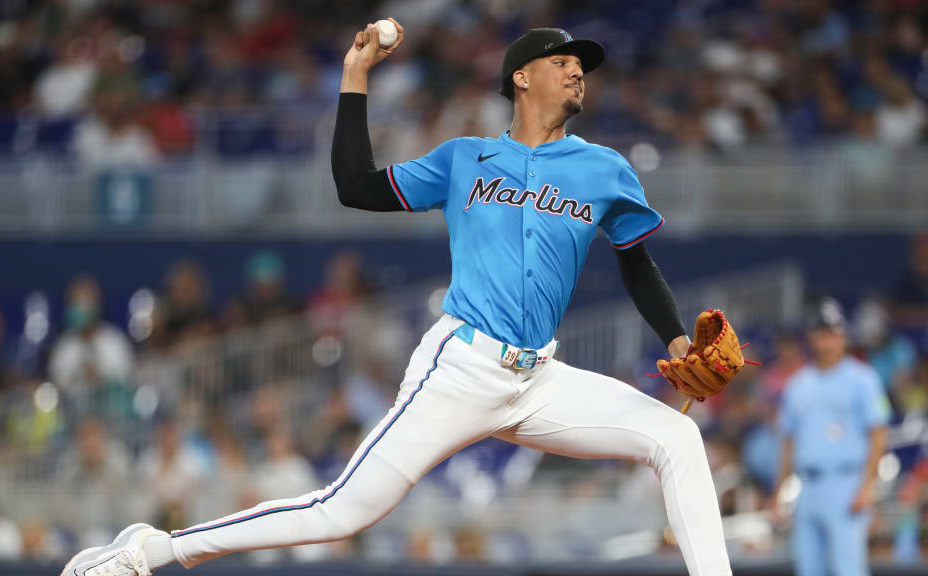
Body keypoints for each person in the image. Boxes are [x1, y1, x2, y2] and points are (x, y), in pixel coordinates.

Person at [63, 22, 732, 576]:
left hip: (539, 379)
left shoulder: (604, 168)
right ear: (521, 77)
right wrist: (355, 78)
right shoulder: (465, 157)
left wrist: (677, 339)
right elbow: (356, 185)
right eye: (562, 62)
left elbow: (637, 265)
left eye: (581, 66)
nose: (578, 72)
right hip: (462, 367)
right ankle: (152, 550)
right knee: (339, 512)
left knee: (675, 437)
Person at [773, 297, 891, 576]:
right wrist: (778, 492)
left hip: (846, 482)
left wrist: (868, 486)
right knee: (808, 569)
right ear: (812, 337)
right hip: (808, 486)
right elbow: (788, 441)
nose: (826, 341)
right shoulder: (799, 383)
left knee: (848, 569)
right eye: (820, 334)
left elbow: (878, 434)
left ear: (843, 336)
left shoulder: (863, 378)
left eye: (832, 334)